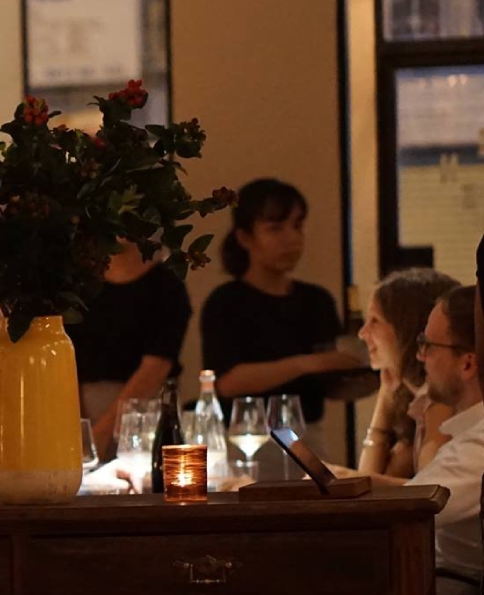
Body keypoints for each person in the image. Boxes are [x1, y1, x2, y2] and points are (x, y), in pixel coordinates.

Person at [200, 178, 362, 432]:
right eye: (275, 229)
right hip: (245, 434)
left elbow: (331, 382)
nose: (291, 238)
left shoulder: (317, 299)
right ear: (244, 237)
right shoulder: (226, 301)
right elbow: (227, 383)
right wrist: (308, 363)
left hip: (307, 431)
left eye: (297, 226)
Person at [407, 284, 484, 595]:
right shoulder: (469, 435)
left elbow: (401, 513)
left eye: (428, 345)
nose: (420, 357)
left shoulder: (477, 446)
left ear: (467, 363)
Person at [68, 243, 192, 458]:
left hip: (145, 415)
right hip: (78, 408)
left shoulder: (166, 285)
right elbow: (68, 358)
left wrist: (100, 435)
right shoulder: (79, 284)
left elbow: (155, 369)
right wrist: (78, 428)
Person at [356, 267, 458, 479]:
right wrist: (386, 397)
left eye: (375, 321)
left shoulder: (444, 397)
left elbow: (431, 489)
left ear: (408, 329)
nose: (362, 333)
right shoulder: (416, 398)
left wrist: (346, 478)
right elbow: (373, 478)